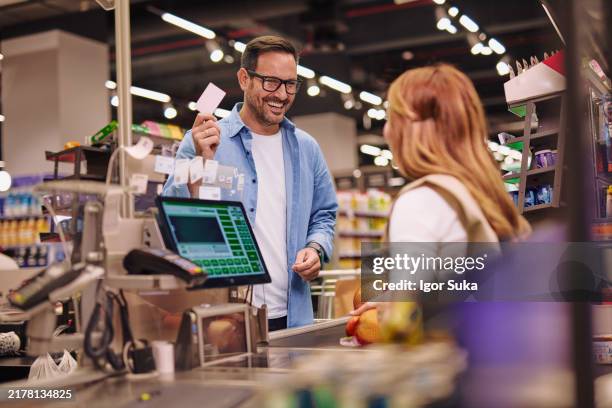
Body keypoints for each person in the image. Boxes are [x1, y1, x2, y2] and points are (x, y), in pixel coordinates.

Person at [162, 36, 338, 330]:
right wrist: (199, 165)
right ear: (244, 78)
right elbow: (173, 218)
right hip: (225, 319)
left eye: (290, 84)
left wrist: (315, 248)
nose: (282, 95)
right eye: (271, 82)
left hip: (293, 317)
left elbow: (324, 214)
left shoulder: (307, 148)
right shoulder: (203, 140)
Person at [353, 64, 530, 316]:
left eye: (391, 118)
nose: (386, 131)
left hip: (449, 353)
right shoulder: (476, 194)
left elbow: (404, 320)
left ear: (412, 127)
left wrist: (390, 310)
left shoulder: (422, 200)